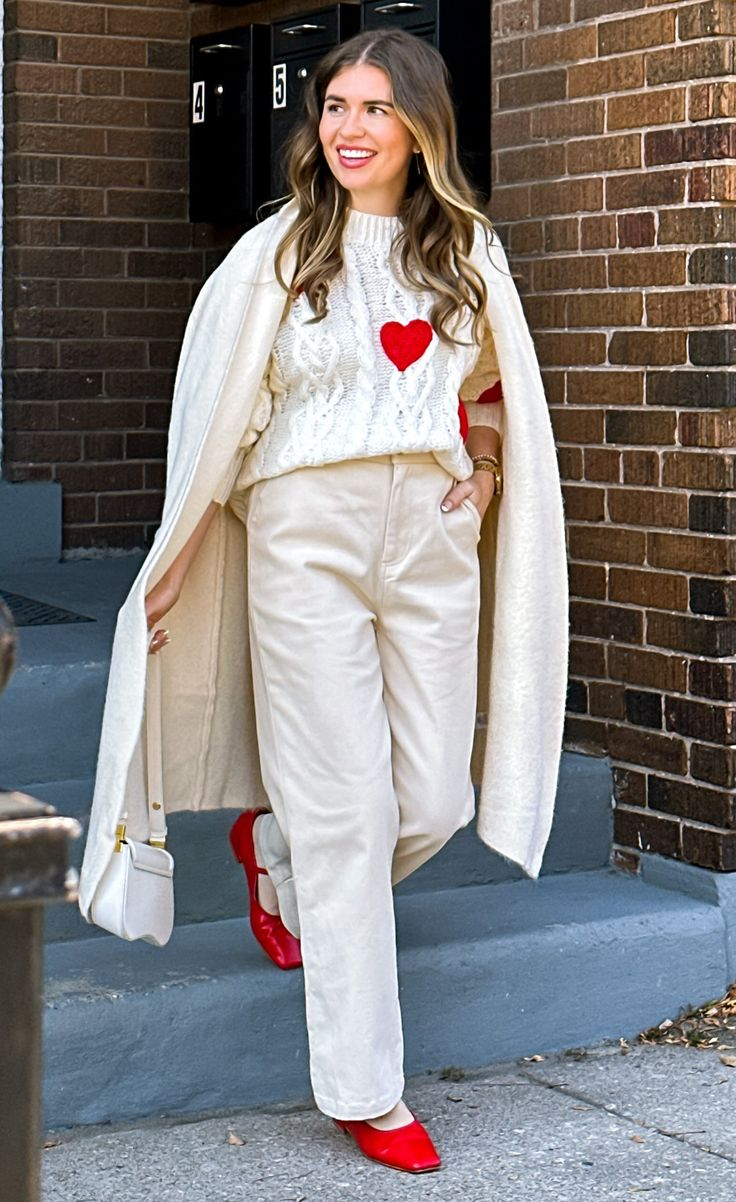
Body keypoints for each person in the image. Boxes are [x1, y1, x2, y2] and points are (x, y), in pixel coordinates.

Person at [78, 27, 568, 1177]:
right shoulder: (278, 253)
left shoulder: (466, 256)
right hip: (304, 534)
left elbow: (489, 385)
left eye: (374, 110)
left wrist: (483, 475)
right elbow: (221, 421)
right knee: (350, 813)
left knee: (433, 790)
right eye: (333, 106)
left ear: (421, 130)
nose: (347, 128)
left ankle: (278, 848)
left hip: (431, 535)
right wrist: (180, 559)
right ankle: (366, 1086)